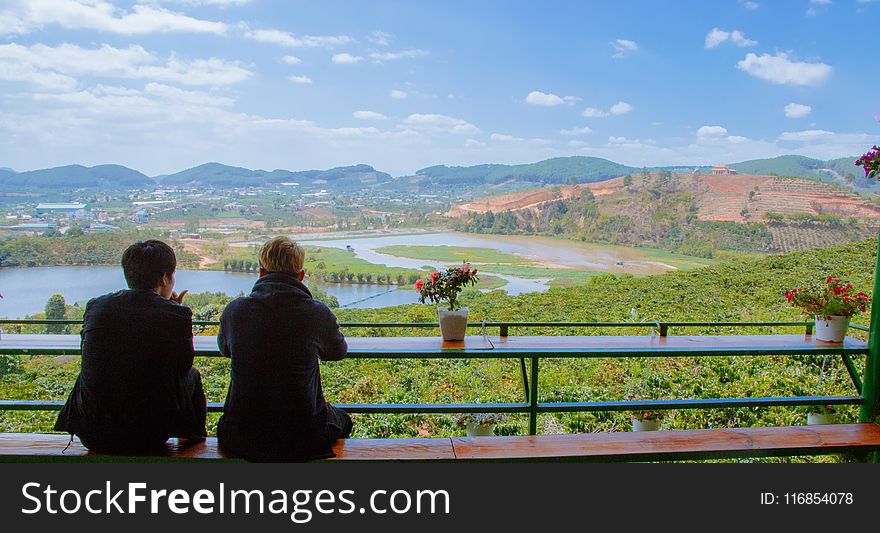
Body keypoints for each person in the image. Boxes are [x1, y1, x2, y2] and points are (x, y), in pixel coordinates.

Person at [54, 240, 207, 453]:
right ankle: (193, 436)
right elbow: (182, 367)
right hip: (148, 435)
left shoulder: (96, 306)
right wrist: (174, 309)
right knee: (192, 375)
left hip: (92, 432)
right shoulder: (177, 314)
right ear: (165, 277)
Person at [217, 236, 351, 462]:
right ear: (301, 276)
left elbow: (225, 349)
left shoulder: (235, 311)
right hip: (302, 437)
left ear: (261, 273)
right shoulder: (316, 313)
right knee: (343, 420)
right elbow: (338, 352)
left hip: (239, 435)